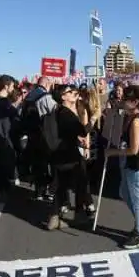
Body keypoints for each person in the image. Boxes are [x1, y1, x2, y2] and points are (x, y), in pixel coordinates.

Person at [107, 85, 139, 248]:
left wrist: (113, 152)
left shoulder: (137, 121)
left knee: (138, 199)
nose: (122, 101)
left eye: (126, 99)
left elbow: (133, 149)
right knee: (124, 193)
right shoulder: (129, 117)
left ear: (134, 102)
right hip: (133, 164)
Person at [46, 84, 94, 230]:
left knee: (60, 185)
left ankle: (54, 218)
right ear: (63, 97)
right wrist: (93, 120)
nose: (74, 93)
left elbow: (67, 132)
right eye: (70, 92)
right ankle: (79, 215)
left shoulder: (58, 111)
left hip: (58, 154)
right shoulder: (65, 112)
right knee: (81, 182)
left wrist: (77, 139)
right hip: (68, 155)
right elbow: (81, 130)